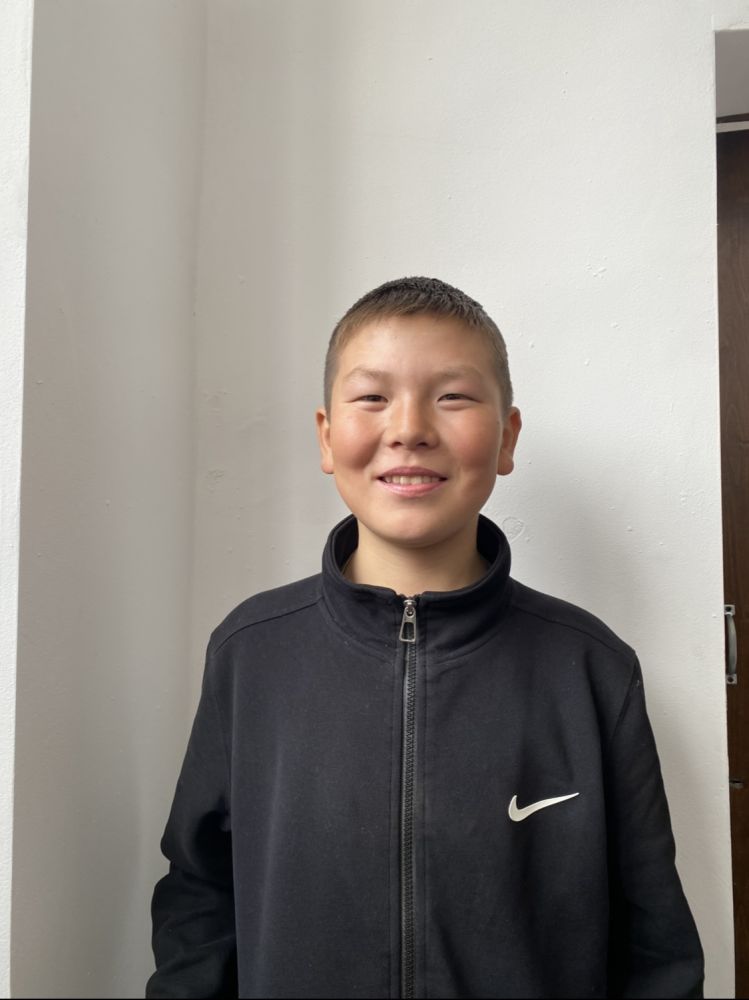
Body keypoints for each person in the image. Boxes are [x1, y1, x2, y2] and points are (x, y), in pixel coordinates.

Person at [146, 276, 704, 999]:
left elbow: (654, 946)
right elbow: (198, 896)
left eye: (453, 396)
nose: (408, 427)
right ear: (326, 436)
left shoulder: (590, 668)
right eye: (372, 397)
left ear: (506, 438)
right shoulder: (252, 653)